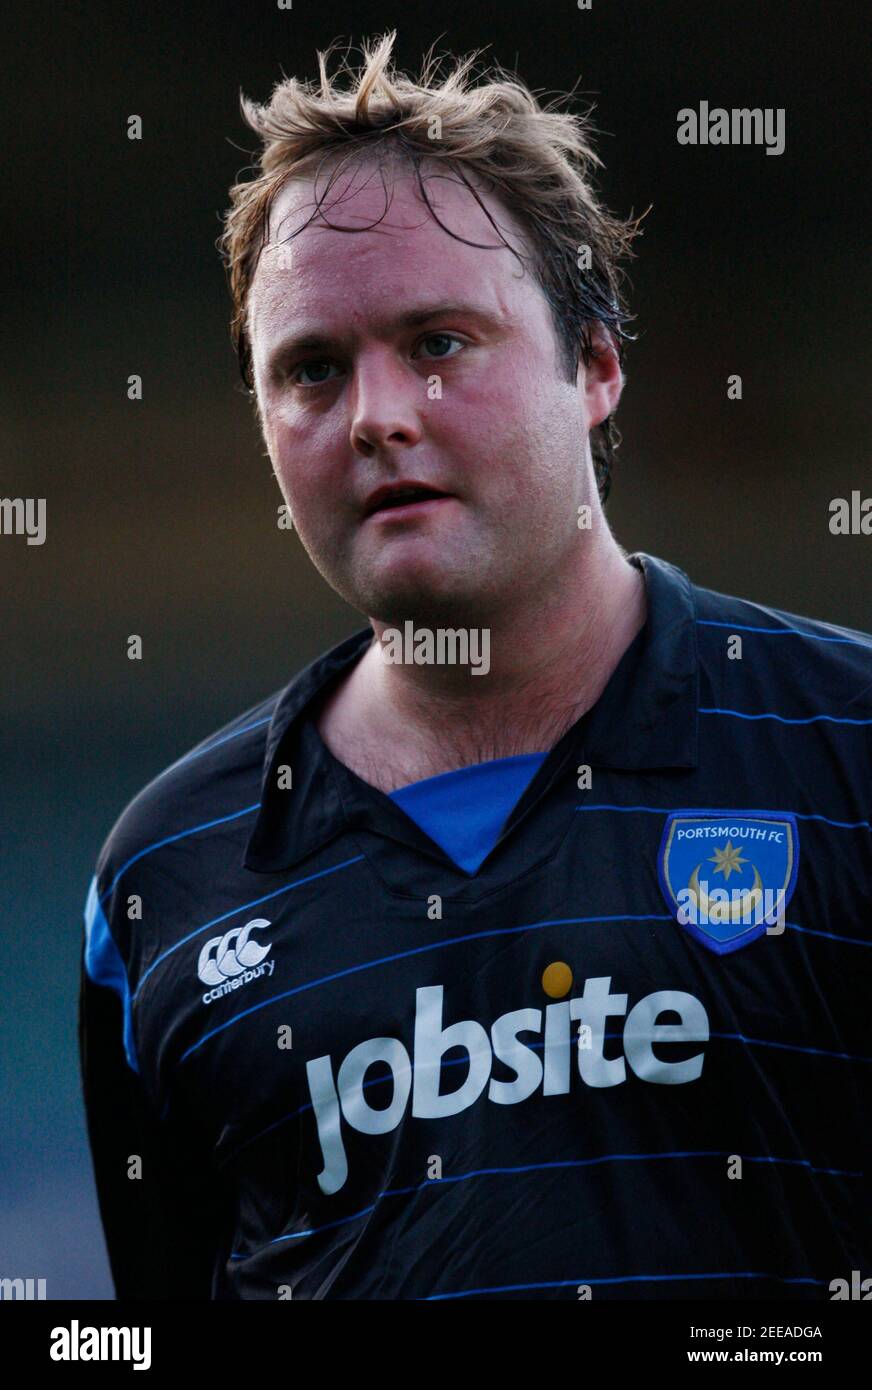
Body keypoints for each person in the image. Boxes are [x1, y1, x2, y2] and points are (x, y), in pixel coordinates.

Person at [79, 32, 872, 1300]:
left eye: (439, 341)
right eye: (312, 369)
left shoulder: (843, 747)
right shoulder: (163, 879)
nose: (377, 414)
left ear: (595, 366)